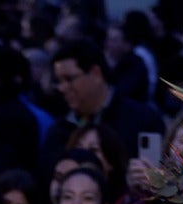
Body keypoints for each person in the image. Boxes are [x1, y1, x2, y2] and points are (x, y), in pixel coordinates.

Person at [40, 38, 164, 178]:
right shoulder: (58, 131)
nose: (62, 88)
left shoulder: (143, 120)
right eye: (58, 81)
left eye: (69, 79)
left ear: (96, 73)